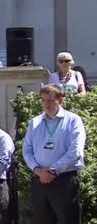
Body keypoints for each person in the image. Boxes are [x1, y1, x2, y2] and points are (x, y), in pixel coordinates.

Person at [22, 84, 86, 224]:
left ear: (60, 100)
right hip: (39, 180)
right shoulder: (35, 122)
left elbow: (75, 150)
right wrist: (37, 170)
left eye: (50, 100)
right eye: (43, 100)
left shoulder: (73, 120)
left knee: (68, 220)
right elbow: (26, 150)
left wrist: (53, 171)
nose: (46, 104)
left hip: (63, 180)